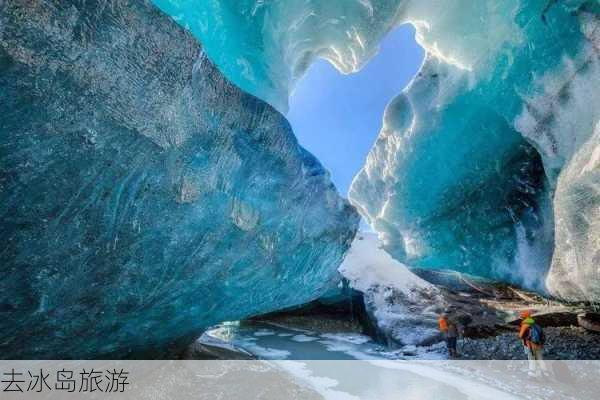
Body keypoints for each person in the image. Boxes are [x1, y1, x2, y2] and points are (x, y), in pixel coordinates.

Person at [518, 310, 549, 378]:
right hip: (538, 344)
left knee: (531, 359)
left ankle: (532, 374)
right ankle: (545, 374)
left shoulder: (525, 324)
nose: (520, 315)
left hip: (530, 344)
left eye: (522, 314)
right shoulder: (534, 323)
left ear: (525, 316)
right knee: (540, 359)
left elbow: (520, 335)